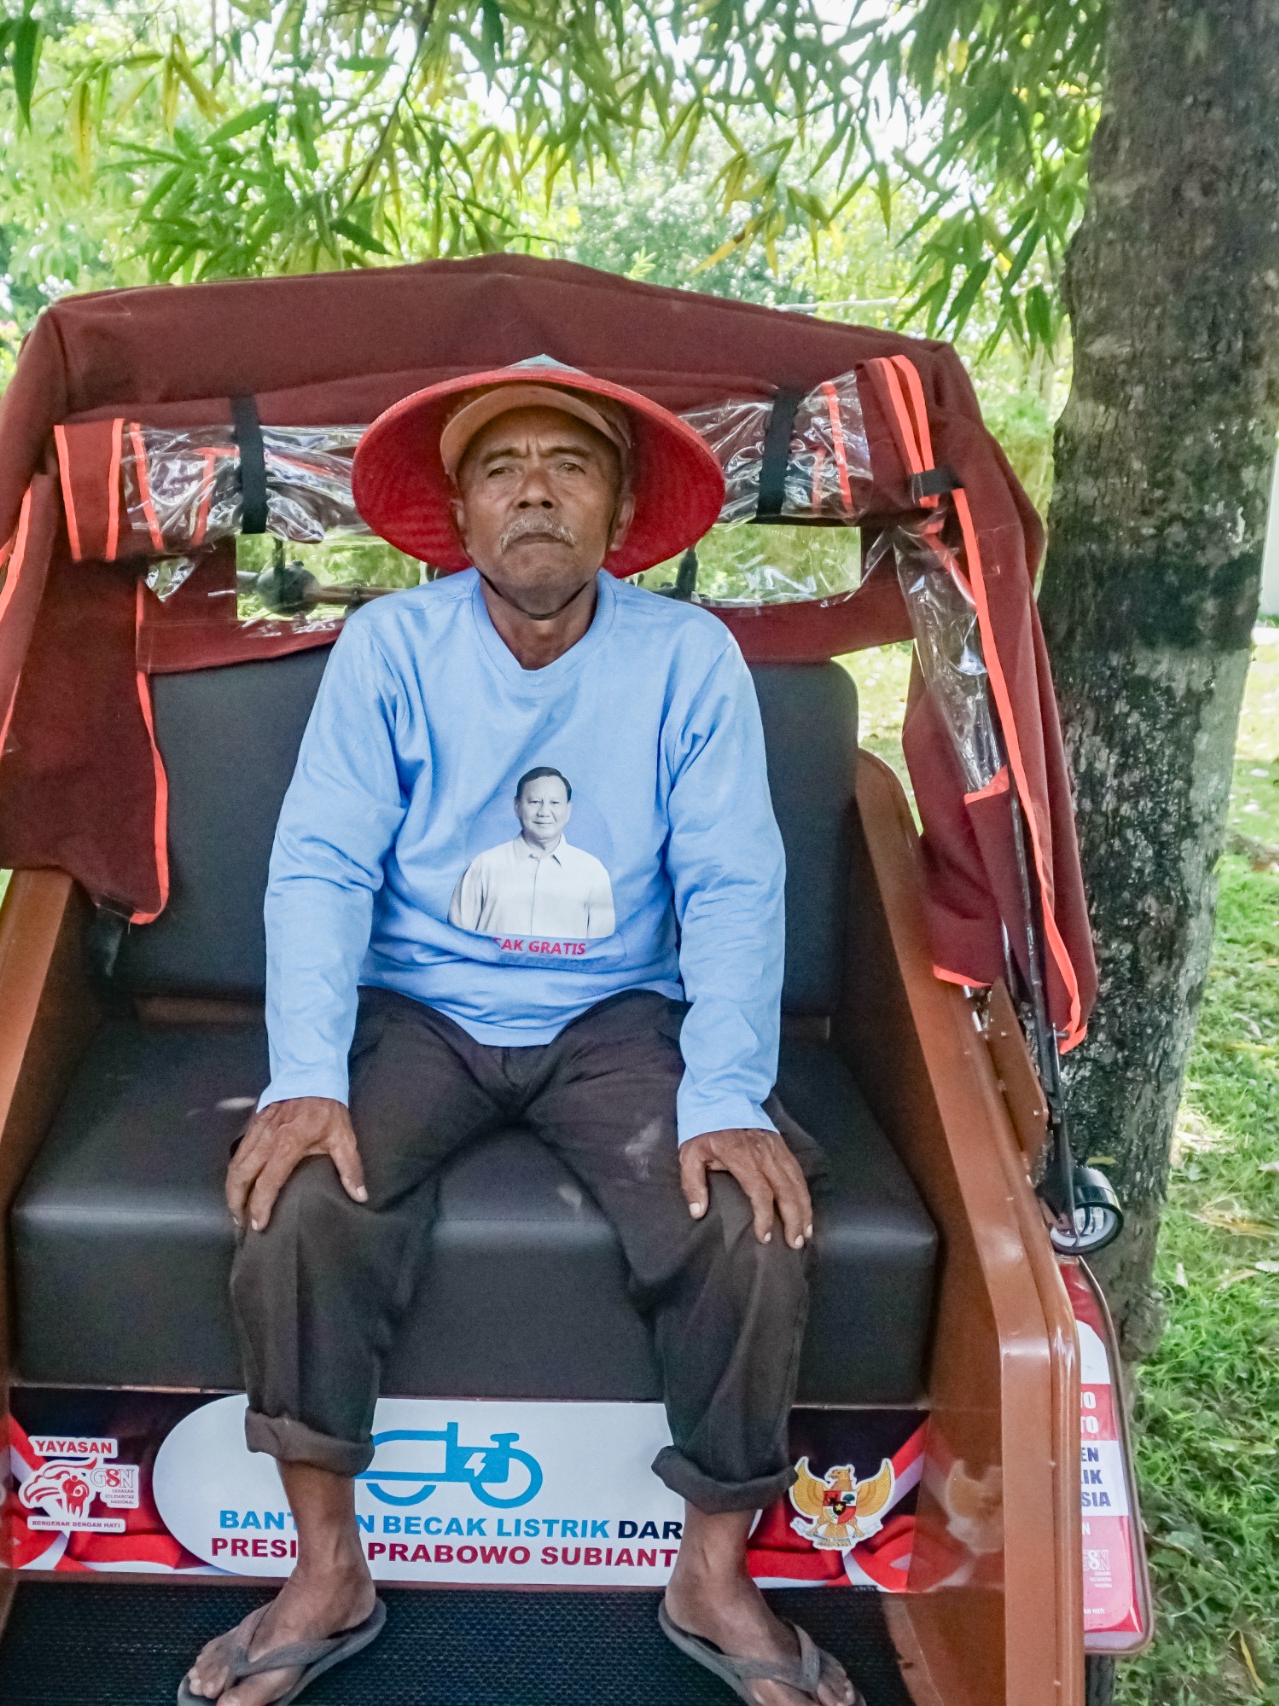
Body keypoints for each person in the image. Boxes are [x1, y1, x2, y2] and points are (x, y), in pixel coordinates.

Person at [180, 360, 856, 1706]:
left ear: (616, 508)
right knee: (299, 1198)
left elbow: (733, 878)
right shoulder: (393, 648)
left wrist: (725, 1090)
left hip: (617, 1014)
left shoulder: (684, 658)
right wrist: (305, 1075)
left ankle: (712, 1571)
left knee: (748, 1214)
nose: (536, 489)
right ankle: (328, 1567)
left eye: (570, 463)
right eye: (501, 467)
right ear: (462, 512)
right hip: (422, 1004)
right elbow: (321, 860)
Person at [447, 765, 616, 940]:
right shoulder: (484, 865)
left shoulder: (592, 871)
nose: (544, 812)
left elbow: (600, 949)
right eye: (534, 802)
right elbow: (458, 940)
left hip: (564, 969)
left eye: (554, 803)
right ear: (517, 806)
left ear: (568, 810)